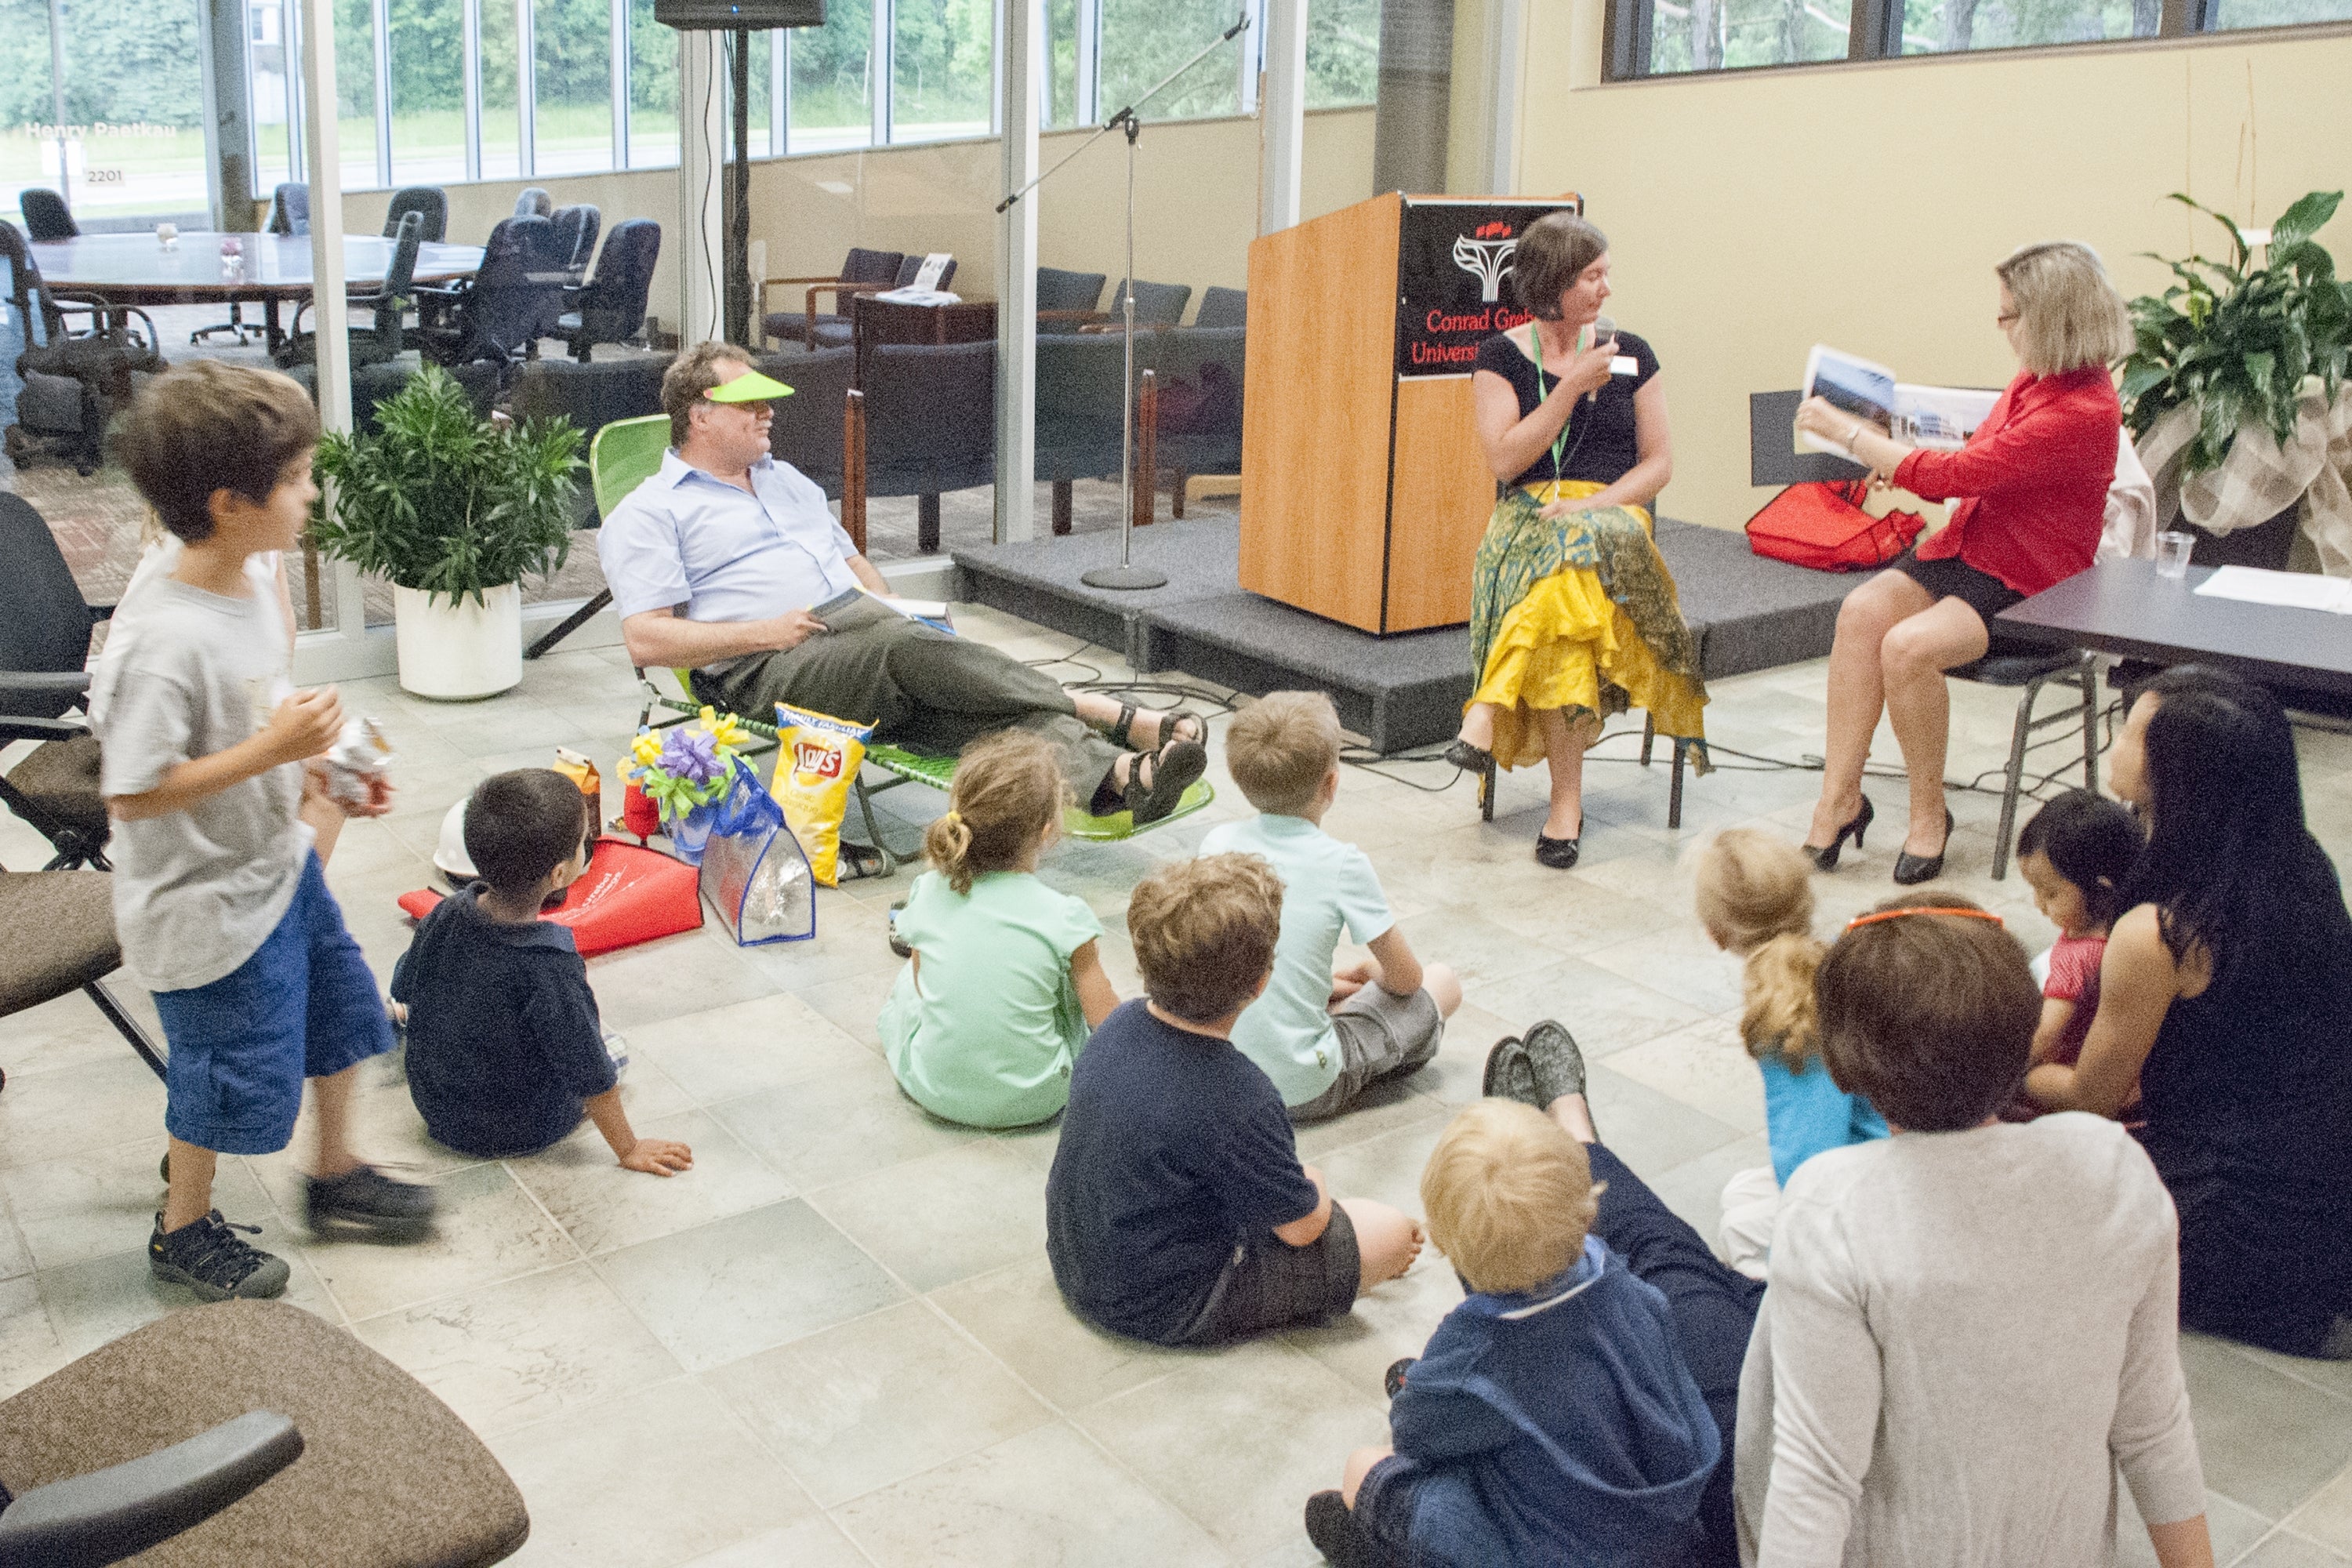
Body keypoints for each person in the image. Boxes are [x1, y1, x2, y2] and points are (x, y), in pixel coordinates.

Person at [1734, 895, 2213, 1568]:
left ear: (1844, 1070)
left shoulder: (1833, 1207)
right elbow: (2153, 1424)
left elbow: (1815, 1479)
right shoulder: (2114, 1170)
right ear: (2027, 1038)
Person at [98, 361, 434, 1302]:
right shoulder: (161, 639)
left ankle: (335, 1174)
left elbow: (261, 707)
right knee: (223, 1071)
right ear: (228, 501)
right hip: (203, 906)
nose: (311, 491)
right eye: (294, 478)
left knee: (338, 1012)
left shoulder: (246, 575)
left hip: (275, 868)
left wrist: (324, 764)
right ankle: (185, 1227)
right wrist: (275, 750)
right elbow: (133, 792)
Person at [597, 342, 1206, 830]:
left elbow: (853, 561)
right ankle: (1105, 712)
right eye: (750, 403)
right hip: (762, 665)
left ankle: (1124, 778)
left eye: (768, 401)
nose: (769, 411)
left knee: (961, 696)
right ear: (699, 415)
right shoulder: (651, 512)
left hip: (858, 632)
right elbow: (646, 640)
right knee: (903, 651)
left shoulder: (785, 480)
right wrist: (770, 632)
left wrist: (891, 607)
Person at [2024, 666, 2352, 1358]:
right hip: (2321, 1191)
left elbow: (2090, 1098)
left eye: (2129, 732)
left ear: (2178, 773)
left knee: (2003, 1172)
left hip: (2243, 1227)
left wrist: (2005, 1076)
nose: (2113, 745)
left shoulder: (2161, 931)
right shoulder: (2300, 862)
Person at [1798, 241, 2131, 884]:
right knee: (1862, 612)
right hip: (1973, 548)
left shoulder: (2085, 410)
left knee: (1908, 649)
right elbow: (1976, 461)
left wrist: (1849, 432)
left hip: (2035, 581)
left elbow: (1961, 470)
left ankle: (1930, 816)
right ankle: (1839, 798)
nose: (2000, 327)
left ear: (2053, 318)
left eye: (2010, 316)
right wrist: (1902, 458)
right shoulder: (2036, 382)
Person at [1301, 1100, 1720, 1568]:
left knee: (1364, 1468)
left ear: (1446, 1246)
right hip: (1667, 1534)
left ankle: (1380, 1550)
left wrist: (1419, 1400)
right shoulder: (1634, 1291)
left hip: (1553, 1548)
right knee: (1470, 1410)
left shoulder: (1477, 1354)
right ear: (1587, 1213)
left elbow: (1414, 1437)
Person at [1044, 854, 1424, 1346]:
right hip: (1167, 1305)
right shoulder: (1241, 1095)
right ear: (1261, 983)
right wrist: (1316, 1182)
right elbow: (1301, 1229)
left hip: (1077, 1263)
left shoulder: (1118, 1024)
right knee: (1389, 1232)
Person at [1444, 211, 1706, 870]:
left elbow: (1659, 464)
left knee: (1572, 559)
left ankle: (1488, 707)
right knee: (1563, 592)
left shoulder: (1633, 352)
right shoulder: (1499, 356)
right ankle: (1566, 803)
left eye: (1606, 274)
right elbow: (1505, 462)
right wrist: (1568, 389)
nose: (1606, 291)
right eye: (1593, 276)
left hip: (1614, 513)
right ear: (1552, 284)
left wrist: (1592, 502)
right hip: (1528, 513)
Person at [1481, 1025, 1760, 1567]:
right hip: (1750, 1467)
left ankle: (1550, 1159)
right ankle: (1567, 1146)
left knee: (1658, 1253)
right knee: (1671, 1258)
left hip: (1737, 1473)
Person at [394, 770, 694, 1174]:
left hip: (436, 1107)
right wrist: (629, 1148)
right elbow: (591, 1073)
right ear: (558, 874)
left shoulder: (444, 912)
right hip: (517, 1127)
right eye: (582, 844)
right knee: (614, 1048)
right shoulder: (548, 961)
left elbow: (405, 987)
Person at [1200, 691, 1462, 1121]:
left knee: (1331, 993)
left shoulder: (1215, 845)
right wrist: (1369, 972)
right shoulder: (1343, 864)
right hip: (1302, 1088)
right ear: (1331, 785)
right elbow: (1407, 979)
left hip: (1220, 1078)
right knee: (1443, 982)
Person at [879, 730, 1118, 1128]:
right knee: (1065, 986)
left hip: (932, 1087)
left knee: (905, 984)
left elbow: (922, 983)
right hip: (1040, 1098)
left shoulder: (929, 890)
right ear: (1046, 832)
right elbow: (1104, 1020)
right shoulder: (1064, 917)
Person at [1689, 830, 1886, 1279]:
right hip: (1884, 1149)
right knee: (1742, 1191)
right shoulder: (1835, 957)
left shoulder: (1788, 1013)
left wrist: (1793, 1263)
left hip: (1870, 1183)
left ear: (1717, 933)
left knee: (1740, 1227)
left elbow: (1811, 1156)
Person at [2001, 789, 2143, 1123]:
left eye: (2050, 893)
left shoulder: (2077, 958)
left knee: (2024, 1079)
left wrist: (2002, 1074)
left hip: (2079, 1073)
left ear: (2101, 889)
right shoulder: (2128, 931)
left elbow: (2048, 1031)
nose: (2039, 904)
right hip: (2130, 1075)